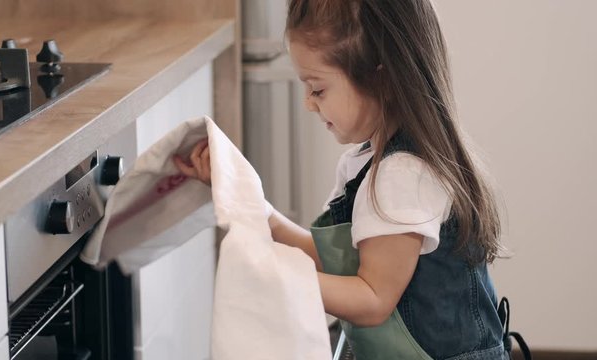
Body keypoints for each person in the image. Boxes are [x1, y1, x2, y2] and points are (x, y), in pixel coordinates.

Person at [175, 0, 527, 359]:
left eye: (318, 89)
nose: (308, 104)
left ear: (382, 79)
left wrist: (278, 277)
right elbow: (335, 259)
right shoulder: (368, 162)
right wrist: (250, 206)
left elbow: (372, 298)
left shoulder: (403, 175)